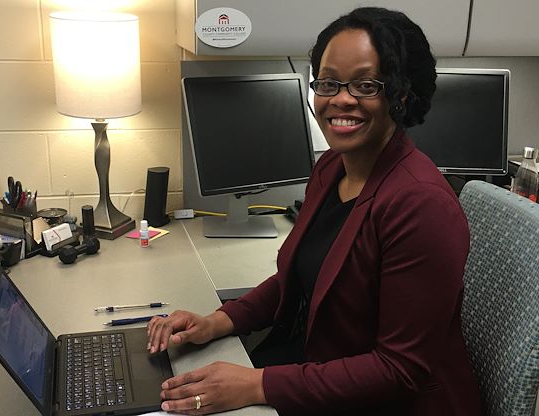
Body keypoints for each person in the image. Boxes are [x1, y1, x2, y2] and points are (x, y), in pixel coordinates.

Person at [148, 7, 483, 415]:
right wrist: (218, 321)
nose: (340, 98)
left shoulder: (420, 205)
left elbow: (400, 369)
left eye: (365, 85)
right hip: (311, 372)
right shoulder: (331, 167)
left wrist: (258, 384)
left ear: (401, 92)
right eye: (328, 82)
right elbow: (295, 281)